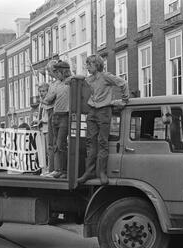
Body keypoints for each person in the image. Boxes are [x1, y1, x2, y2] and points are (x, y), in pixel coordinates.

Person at [77, 55, 129, 185]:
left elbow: (123, 83)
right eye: (86, 64)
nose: (87, 66)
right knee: (90, 141)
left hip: (104, 110)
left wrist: (124, 100)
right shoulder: (89, 79)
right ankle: (89, 172)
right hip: (92, 111)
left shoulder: (106, 77)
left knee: (102, 142)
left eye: (89, 64)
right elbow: (80, 82)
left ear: (96, 65)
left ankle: (102, 172)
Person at [42, 60, 71, 179]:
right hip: (56, 114)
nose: (56, 74)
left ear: (64, 72)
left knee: (60, 144)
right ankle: (57, 169)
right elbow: (48, 99)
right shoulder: (57, 84)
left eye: (58, 72)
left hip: (65, 114)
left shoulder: (70, 81)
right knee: (56, 144)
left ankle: (62, 170)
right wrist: (44, 99)